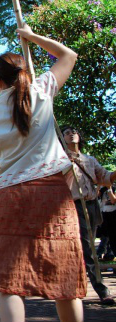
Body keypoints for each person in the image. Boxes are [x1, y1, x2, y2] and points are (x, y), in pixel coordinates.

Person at [0, 25, 85, 321]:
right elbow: (68, 55)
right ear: (24, 72)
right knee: (65, 277)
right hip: (53, 192)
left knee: (9, 281)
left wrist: (14, 156)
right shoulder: (42, 91)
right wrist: (29, 34)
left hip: (12, 193)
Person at [61, 125, 116, 305]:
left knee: (87, 247)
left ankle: (73, 286)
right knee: (88, 249)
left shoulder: (90, 160)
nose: (71, 134)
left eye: (74, 132)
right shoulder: (59, 160)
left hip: (92, 206)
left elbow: (104, 177)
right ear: (62, 139)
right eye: (67, 133)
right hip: (73, 207)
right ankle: (102, 290)